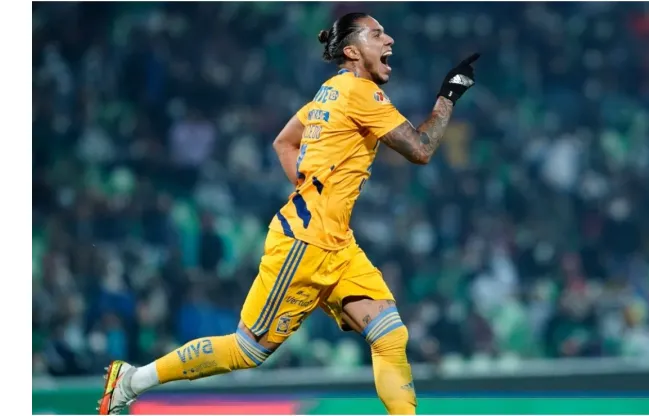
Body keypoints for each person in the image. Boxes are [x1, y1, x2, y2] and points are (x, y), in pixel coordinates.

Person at [97, 12, 478, 415]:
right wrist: (448, 95)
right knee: (247, 350)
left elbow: (284, 142)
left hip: (338, 244)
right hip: (305, 242)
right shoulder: (360, 94)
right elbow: (421, 149)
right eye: (378, 34)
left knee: (389, 334)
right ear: (351, 50)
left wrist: (310, 182)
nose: (390, 41)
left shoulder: (327, 94)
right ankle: (131, 380)